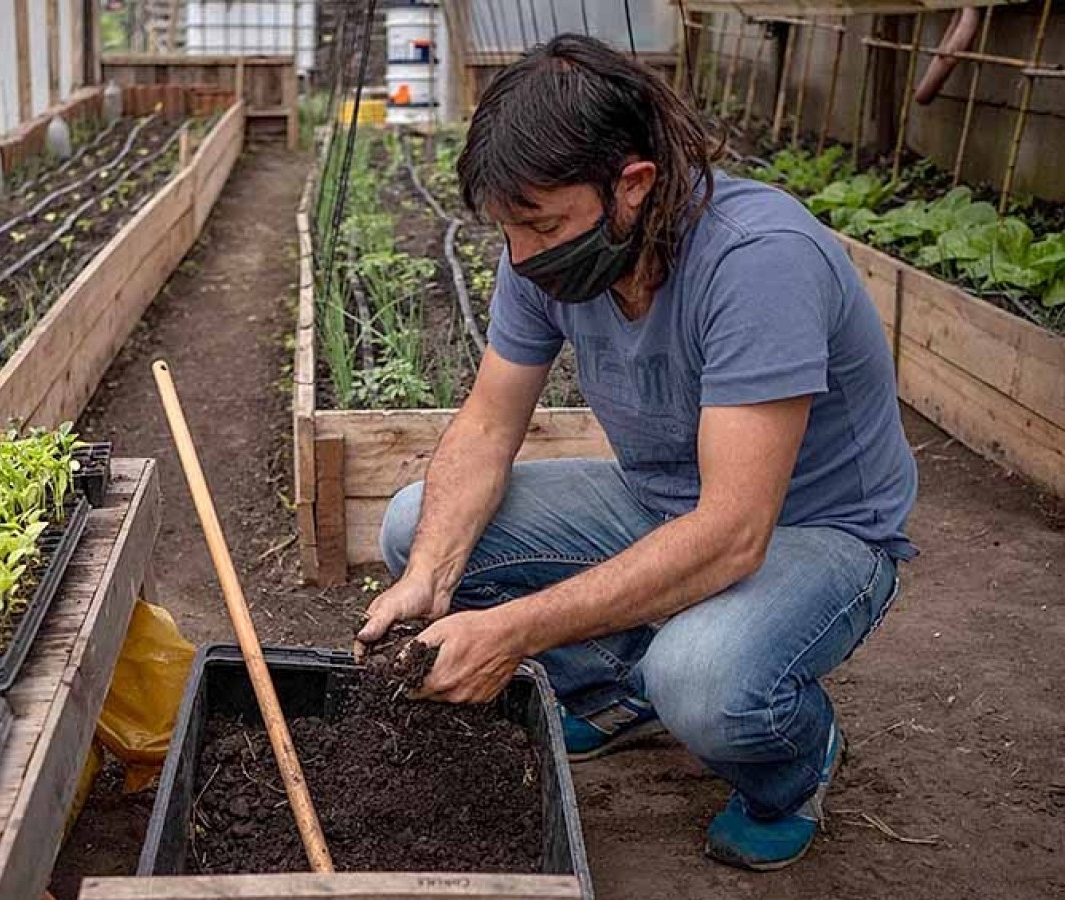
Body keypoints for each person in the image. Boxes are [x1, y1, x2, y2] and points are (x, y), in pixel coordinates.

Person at [355, 35, 917, 871]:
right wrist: (430, 575)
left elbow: (733, 533)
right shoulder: (549, 258)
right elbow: (484, 426)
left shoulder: (758, 263)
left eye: (541, 224)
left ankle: (793, 765)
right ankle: (617, 694)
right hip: (662, 501)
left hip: (817, 532)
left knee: (702, 679)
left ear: (633, 185)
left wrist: (512, 631)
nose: (520, 255)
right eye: (509, 228)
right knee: (416, 526)